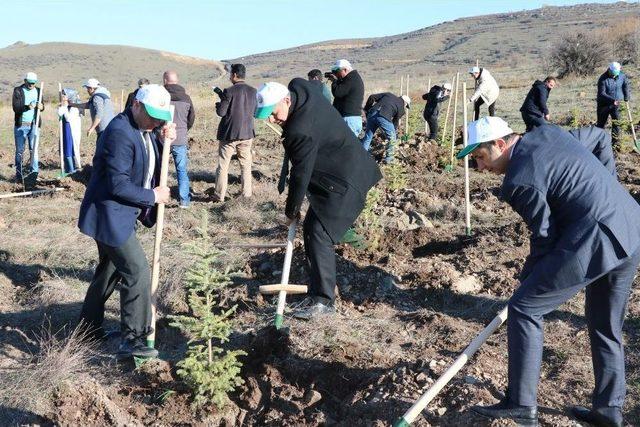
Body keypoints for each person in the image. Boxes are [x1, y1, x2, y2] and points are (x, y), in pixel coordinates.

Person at [456, 118, 640, 427]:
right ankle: (608, 410)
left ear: (500, 144)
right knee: (604, 323)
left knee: (525, 308)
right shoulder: (548, 133)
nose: (480, 167)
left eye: (480, 157)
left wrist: (527, 279)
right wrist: (609, 187)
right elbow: (598, 137)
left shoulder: (518, 181)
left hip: (596, 239)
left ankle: (520, 403)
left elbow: (544, 239)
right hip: (630, 226)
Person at [254, 79, 381, 319]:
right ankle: (320, 294)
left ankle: (323, 303)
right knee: (316, 229)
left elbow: (300, 175)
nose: (272, 120)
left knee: (317, 232)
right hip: (344, 165)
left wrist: (291, 210)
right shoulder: (303, 91)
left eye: (273, 113)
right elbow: (306, 84)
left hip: (343, 180)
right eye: (267, 116)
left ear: (286, 100)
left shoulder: (300, 129)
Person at [77, 84, 175, 359]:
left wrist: (164, 136)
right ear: (136, 105)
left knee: (109, 271)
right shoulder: (119, 133)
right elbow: (118, 185)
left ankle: (87, 330)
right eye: (153, 116)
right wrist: (152, 195)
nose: (157, 121)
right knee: (137, 272)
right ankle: (133, 340)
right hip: (109, 216)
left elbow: (149, 153)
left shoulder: (143, 128)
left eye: (160, 117)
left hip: (120, 215)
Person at [213, 63, 257, 202]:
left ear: (235, 75)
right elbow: (254, 112)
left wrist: (219, 104)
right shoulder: (253, 91)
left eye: (231, 74)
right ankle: (246, 194)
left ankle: (219, 195)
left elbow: (221, 112)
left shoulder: (229, 91)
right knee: (246, 166)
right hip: (247, 133)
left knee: (223, 166)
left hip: (229, 135)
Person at [163, 70, 195, 208]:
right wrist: (183, 130)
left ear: (165, 80)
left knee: (157, 168)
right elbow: (191, 118)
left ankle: (156, 197)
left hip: (161, 138)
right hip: (180, 138)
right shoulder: (186, 98)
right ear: (177, 81)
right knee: (181, 170)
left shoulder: (161, 96)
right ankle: (184, 201)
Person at [12, 72, 44, 182]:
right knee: (20, 151)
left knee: (33, 149)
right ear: (25, 81)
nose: (31, 85)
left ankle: (34, 174)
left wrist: (41, 106)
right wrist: (28, 107)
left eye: (33, 83)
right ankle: (19, 175)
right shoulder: (18, 91)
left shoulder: (39, 91)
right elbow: (16, 108)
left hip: (34, 125)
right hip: (21, 125)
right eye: (29, 83)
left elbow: (42, 106)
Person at [360, 92, 411, 163]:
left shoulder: (389, 94)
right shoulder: (401, 109)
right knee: (392, 138)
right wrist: (392, 134)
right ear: (405, 103)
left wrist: (366, 110)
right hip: (383, 117)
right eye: (406, 106)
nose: (405, 107)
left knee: (368, 137)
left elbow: (372, 97)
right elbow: (395, 123)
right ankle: (389, 160)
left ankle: (361, 157)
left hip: (371, 114)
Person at [596, 62, 630, 147]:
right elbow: (601, 93)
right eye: (613, 73)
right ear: (610, 70)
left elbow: (625, 85)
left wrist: (627, 96)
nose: (615, 75)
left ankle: (615, 144)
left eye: (617, 73)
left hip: (617, 104)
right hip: (604, 104)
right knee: (601, 124)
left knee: (617, 124)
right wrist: (612, 100)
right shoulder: (603, 79)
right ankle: (599, 144)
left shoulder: (622, 76)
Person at [327, 59, 365, 136]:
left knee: (347, 146)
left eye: (337, 70)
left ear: (345, 69)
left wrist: (334, 81)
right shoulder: (351, 78)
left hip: (349, 119)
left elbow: (338, 93)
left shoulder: (351, 79)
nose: (335, 73)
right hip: (350, 118)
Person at [59, 88, 83, 174]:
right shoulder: (67, 106)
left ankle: (73, 170)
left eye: (65, 95)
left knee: (71, 149)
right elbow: (59, 113)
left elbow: (68, 118)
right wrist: (63, 106)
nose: (63, 97)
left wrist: (64, 106)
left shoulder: (75, 107)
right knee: (66, 148)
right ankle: (68, 169)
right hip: (66, 130)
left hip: (72, 130)